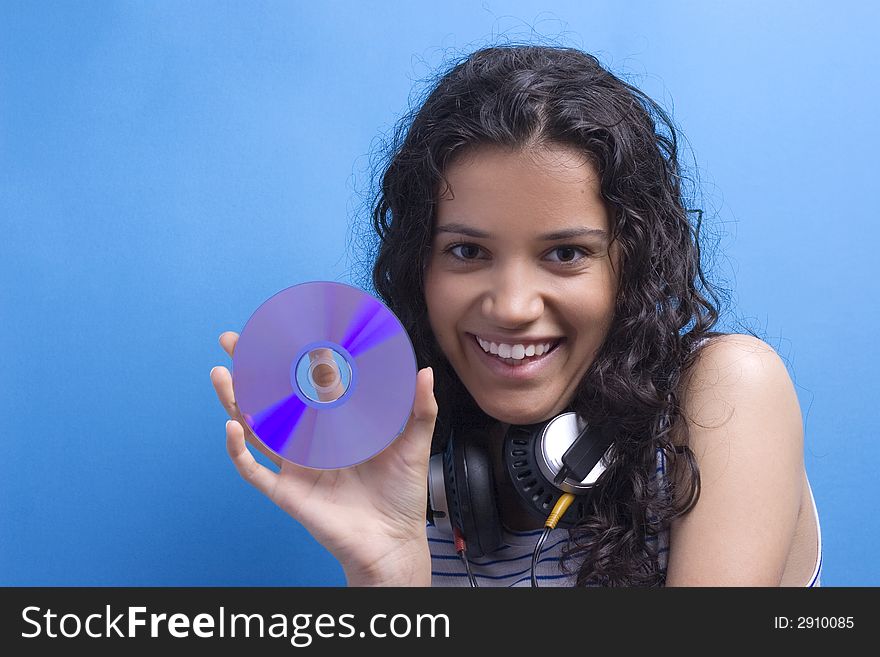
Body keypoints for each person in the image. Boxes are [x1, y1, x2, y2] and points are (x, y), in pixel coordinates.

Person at [210, 44, 821, 587]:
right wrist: (387, 578)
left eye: (565, 254)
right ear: (418, 264)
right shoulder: (414, 461)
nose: (512, 307)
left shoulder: (727, 391)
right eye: (467, 252)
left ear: (628, 266)